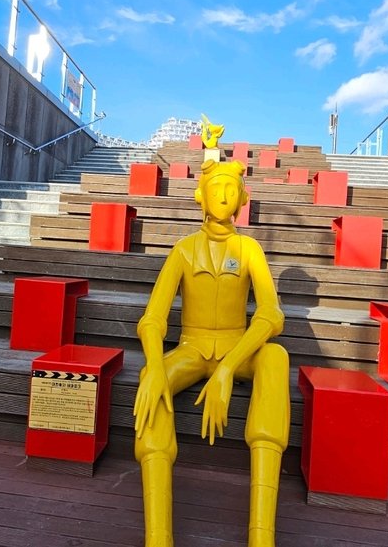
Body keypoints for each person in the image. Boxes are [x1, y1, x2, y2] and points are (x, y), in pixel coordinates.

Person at [133, 159, 290, 547]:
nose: (222, 196)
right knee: (151, 380)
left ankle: (262, 536)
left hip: (238, 348)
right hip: (192, 348)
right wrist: (155, 366)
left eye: (231, 189)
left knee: (275, 357)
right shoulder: (183, 251)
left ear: (242, 198)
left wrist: (227, 369)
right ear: (199, 196)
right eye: (215, 188)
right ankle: (158, 537)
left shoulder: (249, 249)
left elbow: (271, 314)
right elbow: (152, 319)